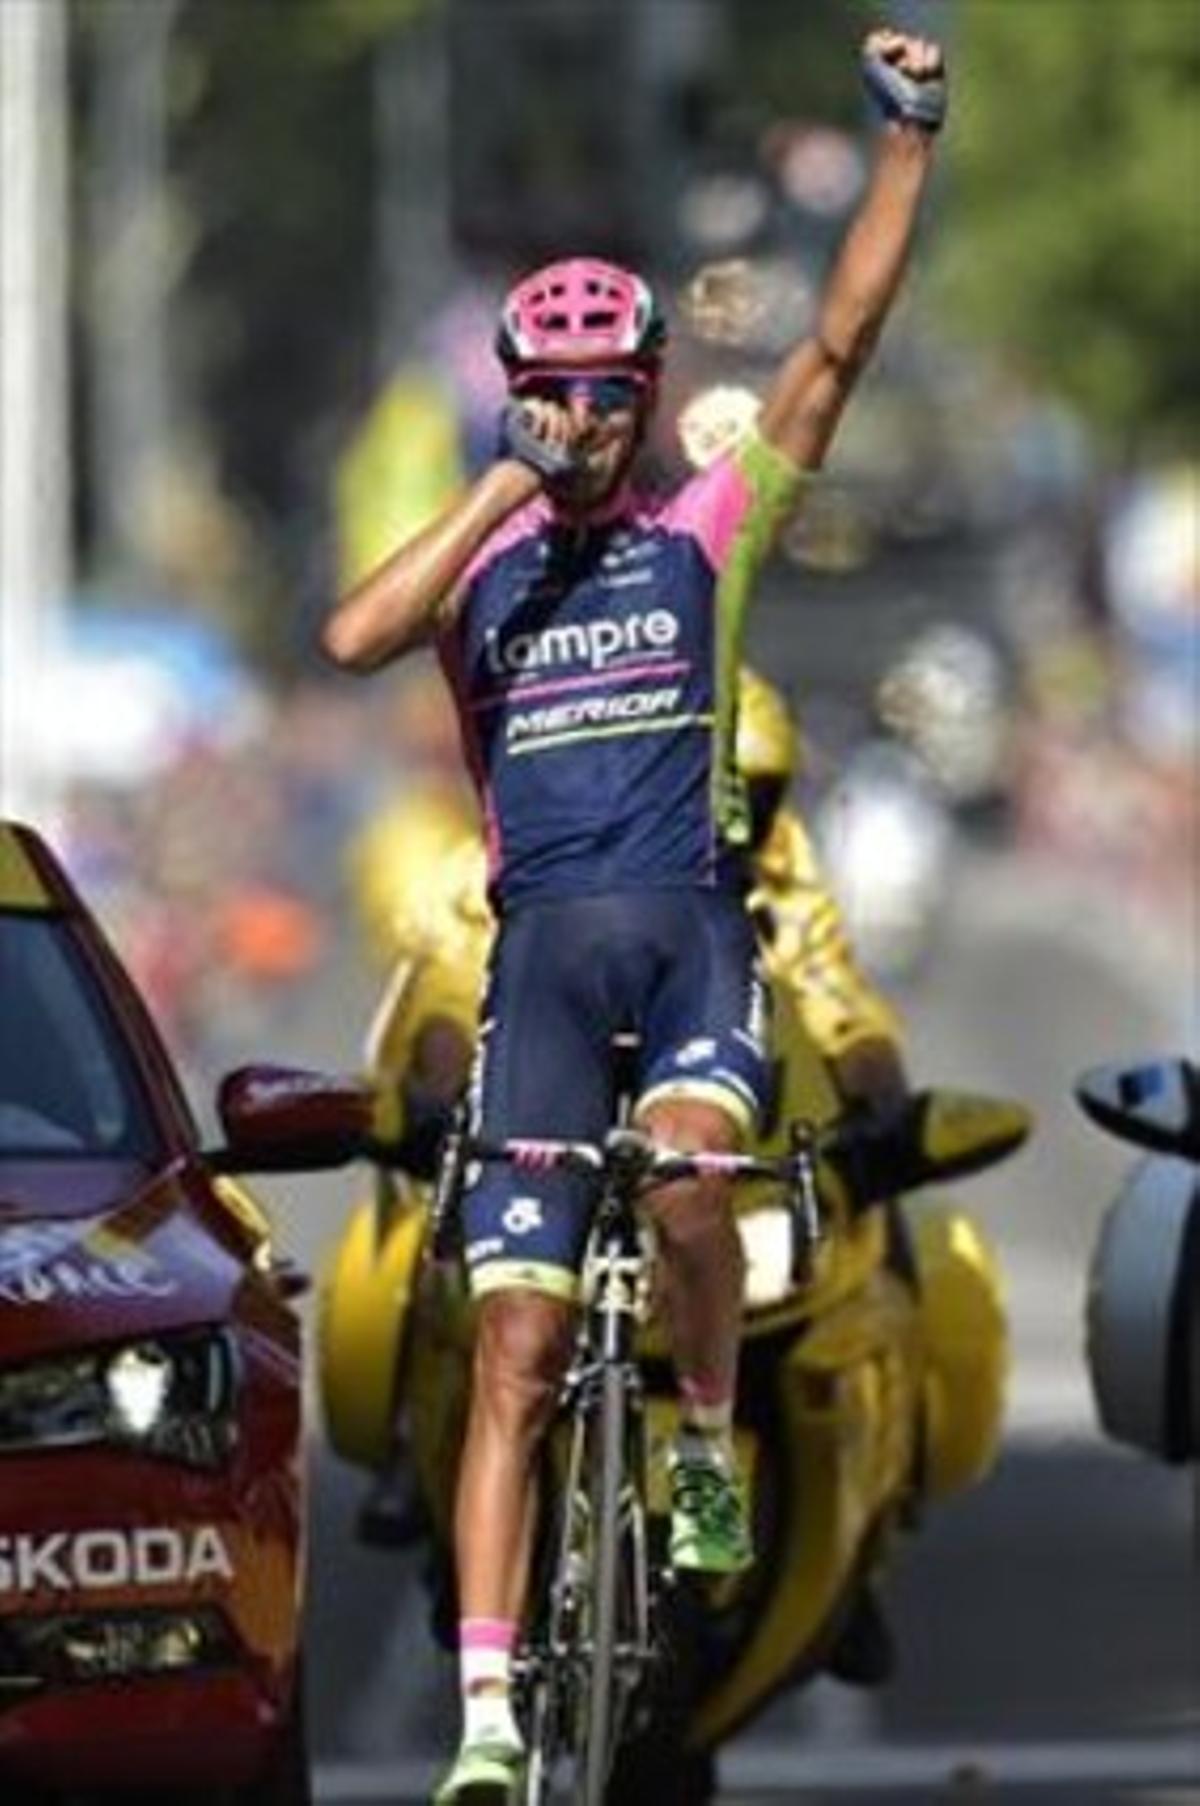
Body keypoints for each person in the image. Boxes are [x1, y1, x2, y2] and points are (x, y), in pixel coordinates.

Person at [322, 27, 946, 1802]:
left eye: (610, 394)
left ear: (655, 393)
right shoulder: (486, 568)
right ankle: (493, 1712)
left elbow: (839, 344)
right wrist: (498, 486)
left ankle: (692, 1446)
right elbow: (353, 638)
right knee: (510, 1344)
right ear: (514, 392)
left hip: (684, 947)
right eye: (553, 393)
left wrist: (905, 135)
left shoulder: (706, 536)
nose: (584, 420)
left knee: (691, 1190)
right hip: (537, 968)